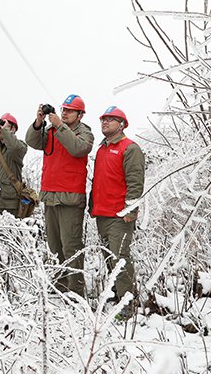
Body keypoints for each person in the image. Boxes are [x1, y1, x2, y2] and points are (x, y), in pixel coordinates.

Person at [25, 94, 93, 297]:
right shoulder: (51, 130)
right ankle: (60, 287)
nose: (64, 113)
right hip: (51, 197)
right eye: (63, 109)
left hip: (71, 199)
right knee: (54, 246)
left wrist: (59, 126)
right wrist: (39, 122)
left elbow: (78, 149)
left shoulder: (85, 133)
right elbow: (32, 141)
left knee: (71, 245)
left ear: (80, 115)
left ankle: (76, 292)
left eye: (70, 110)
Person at [90, 106, 145, 311]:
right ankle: (118, 295)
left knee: (120, 257)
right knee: (109, 258)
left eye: (111, 119)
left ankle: (129, 304)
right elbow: (98, 181)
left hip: (120, 216)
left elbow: (135, 182)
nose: (105, 122)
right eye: (103, 119)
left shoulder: (130, 148)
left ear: (122, 125)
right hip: (102, 213)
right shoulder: (102, 149)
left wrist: (131, 210)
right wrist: (92, 205)